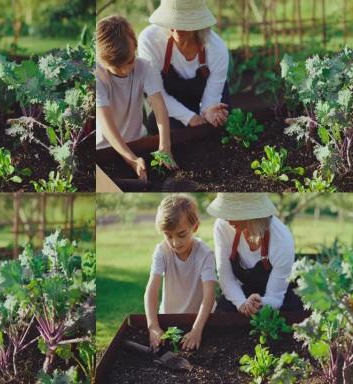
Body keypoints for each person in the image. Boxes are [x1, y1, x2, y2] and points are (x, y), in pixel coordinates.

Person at [96, 15, 178, 180]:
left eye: (130, 61)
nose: (126, 70)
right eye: (117, 67)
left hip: (137, 141)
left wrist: (165, 145)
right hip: (104, 149)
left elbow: (159, 106)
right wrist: (130, 159)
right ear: (104, 62)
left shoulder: (144, 67)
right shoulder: (97, 76)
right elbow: (106, 124)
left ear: (135, 45)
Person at [139, 0, 230, 132]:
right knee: (159, 125)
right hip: (169, 104)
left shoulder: (217, 49)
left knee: (218, 127)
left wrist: (209, 113)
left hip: (207, 99)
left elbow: (210, 100)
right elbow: (157, 94)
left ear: (198, 23)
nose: (175, 29)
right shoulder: (150, 40)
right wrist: (191, 118)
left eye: (182, 23)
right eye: (171, 21)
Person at [207, 193, 303, 316]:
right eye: (226, 213)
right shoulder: (222, 225)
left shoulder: (282, 240)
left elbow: (275, 298)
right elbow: (226, 277)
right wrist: (242, 304)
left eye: (234, 214)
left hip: (276, 297)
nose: (228, 220)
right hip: (239, 293)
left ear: (252, 215)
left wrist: (259, 303)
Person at [144, 194, 217, 351]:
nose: (175, 243)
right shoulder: (162, 251)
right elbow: (152, 291)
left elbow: (209, 296)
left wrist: (197, 330)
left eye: (181, 234)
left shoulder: (205, 254)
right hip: (169, 318)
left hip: (202, 319)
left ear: (195, 227)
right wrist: (153, 327)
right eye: (168, 236)